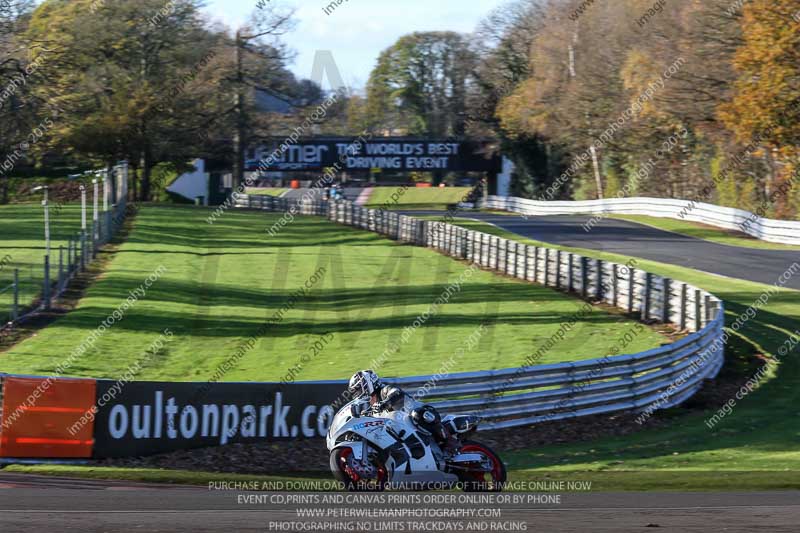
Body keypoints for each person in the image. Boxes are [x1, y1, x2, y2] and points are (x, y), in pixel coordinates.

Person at [348, 370, 459, 453]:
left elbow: (397, 393)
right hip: (404, 432)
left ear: (368, 383)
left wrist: (385, 403)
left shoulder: (384, 390)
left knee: (419, 414)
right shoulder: (372, 403)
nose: (358, 393)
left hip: (421, 416)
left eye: (358, 389)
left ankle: (450, 441)